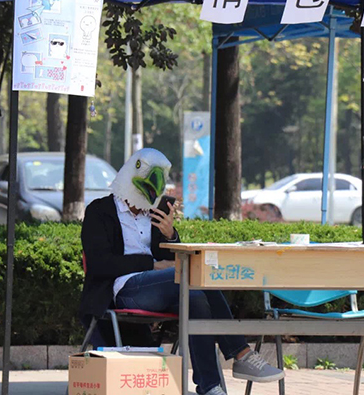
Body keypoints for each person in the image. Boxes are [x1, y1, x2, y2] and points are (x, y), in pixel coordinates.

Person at [78, 148, 284, 395]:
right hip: (123, 290)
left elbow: (172, 260)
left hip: (162, 288)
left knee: (196, 297)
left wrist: (170, 236)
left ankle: (210, 387)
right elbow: (100, 264)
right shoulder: (99, 211)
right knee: (191, 276)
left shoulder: (156, 211)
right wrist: (151, 265)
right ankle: (241, 353)